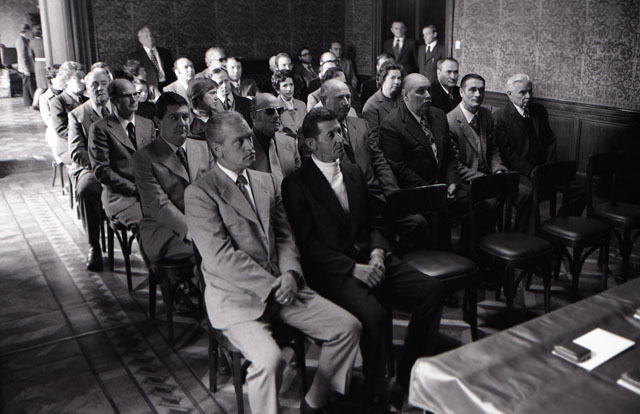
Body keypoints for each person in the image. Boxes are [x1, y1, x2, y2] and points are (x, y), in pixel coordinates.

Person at [184, 111, 361, 414]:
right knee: (269, 360)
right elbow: (221, 258)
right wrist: (274, 285)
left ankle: (314, 402)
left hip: (283, 286)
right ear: (217, 149)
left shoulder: (266, 181)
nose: (250, 146)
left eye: (249, 138)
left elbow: (285, 237)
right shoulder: (200, 193)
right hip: (236, 298)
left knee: (347, 327)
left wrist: (291, 274)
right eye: (239, 142)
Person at [282, 107, 444, 412]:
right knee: (374, 315)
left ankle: (406, 378)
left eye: (339, 131)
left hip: (370, 257)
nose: (340, 139)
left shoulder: (353, 171)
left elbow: (375, 222)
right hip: (334, 271)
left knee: (431, 291)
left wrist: (378, 252)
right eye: (331, 134)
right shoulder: (296, 184)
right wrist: (353, 269)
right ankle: (375, 394)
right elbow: (308, 245)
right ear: (311, 144)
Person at [133, 92, 213, 310]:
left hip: (202, 223)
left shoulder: (202, 147)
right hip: (165, 231)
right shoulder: (144, 158)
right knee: (212, 250)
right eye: (174, 118)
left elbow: (214, 190)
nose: (182, 123)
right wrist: (194, 231)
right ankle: (214, 308)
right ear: (158, 122)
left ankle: (222, 300)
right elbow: (159, 206)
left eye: (185, 117)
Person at [494, 73, 584, 218]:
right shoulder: (500, 117)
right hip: (522, 172)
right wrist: (531, 171)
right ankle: (531, 230)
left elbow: (550, 140)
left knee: (581, 188)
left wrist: (549, 165)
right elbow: (507, 153)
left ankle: (559, 222)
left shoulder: (539, 111)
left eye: (530, 91)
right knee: (530, 194)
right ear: (509, 94)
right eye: (522, 92)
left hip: (545, 167)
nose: (528, 96)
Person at [89, 78, 156, 230]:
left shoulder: (147, 124)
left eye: (135, 94)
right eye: (127, 96)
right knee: (147, 228)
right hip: (121, 197)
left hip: (151, 192)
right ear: (114, 100)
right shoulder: (100, 128)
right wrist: (135, 189)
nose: (134, 100)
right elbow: (102, 171)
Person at [67, 68, 113, 271]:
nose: (100, 88)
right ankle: (94, 246)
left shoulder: (120, 108)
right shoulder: (78, 115)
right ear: (86, 88)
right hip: (91, 168)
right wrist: (101, 167)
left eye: (104, 84)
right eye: (94, 85)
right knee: (86, 189)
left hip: (121, 166)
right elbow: (77, 151)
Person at [250, 93, 301, 184]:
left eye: (279, 110)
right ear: (254, 116)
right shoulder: (244, 147)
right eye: (270, 111)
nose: (277, 115)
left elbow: (299, 179)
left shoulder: (290, 142)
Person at [50, 62, 87, 165]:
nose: (83, 81)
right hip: (69, 146)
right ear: (66, 80)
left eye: (83, 78)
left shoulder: (87, 100)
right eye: (78, 78)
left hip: (89, 144)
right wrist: (86, 135)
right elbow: (61, 130)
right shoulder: (58, 102)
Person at [129, 26, 175, 91]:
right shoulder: (135, 57)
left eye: (151, 35)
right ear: (140, 40)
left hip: (168, 86)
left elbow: (172, 71)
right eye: (146, 36)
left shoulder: (165, 52)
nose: (150, 38)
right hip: (150, 89)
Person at [362, 61, 403, 132]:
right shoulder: (371, 106)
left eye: (399, 78)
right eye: (392, 78)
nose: (397, 82)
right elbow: (373, 136)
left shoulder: (403, 99)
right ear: (382, 79)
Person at [272, 70, 306, 137]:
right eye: (285, 86)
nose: (289, 89)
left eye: (291, 84)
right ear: (278, 89)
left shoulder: (302, 105)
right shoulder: (274, 107)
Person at [16, 24, 36, 108]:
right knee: (30, 85)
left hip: (25, 66)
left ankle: (28, 103)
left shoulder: (23, 40)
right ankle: (32, 102)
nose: (30, 32)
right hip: (25, 67)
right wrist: (26, 69)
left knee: (27, 85)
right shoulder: (21, 41)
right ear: (26, 30)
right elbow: (22, 56)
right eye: (29, 30)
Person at [30, 26, 47, 109]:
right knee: (45, 86)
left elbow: (31, 55)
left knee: (40, 86)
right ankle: (36, 104)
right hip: (45, 63)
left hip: (38, 64)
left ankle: (35, 103)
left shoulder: (31, 42)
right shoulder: (45, 41)